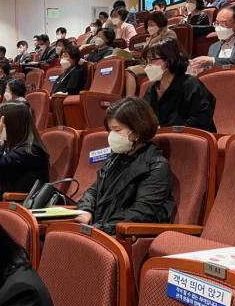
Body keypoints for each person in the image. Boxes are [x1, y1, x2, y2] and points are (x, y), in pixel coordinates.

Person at [75, 98, 175, 235]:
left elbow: (140, 214)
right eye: (110, 130)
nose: (111, 136)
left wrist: (100, 228)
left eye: (117, 130)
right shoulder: (115, 158)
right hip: (100, 230)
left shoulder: (156, 166)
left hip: (122, 236)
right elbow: (94, 191)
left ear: (137, 131)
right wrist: (85, 210)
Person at [0, 103, 49, 200]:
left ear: (13, 125)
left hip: (18, 203)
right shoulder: (9, 145)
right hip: (1, 198)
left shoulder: (31, 150)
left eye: (0, 123)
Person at [142, 38, 216, 132]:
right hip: (160, 138)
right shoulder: (151, 89)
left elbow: (200, 122)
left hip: (189, 138)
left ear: (169, 60)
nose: (148, 66)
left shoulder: (191, 85)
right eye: (147, 61)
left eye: (152, 60)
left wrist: (165, 130)